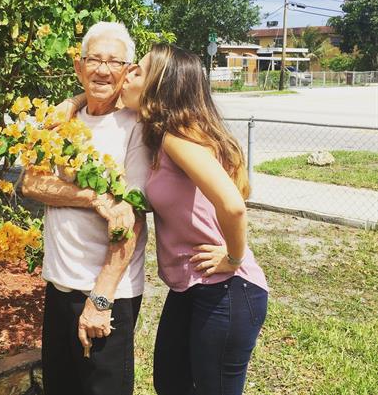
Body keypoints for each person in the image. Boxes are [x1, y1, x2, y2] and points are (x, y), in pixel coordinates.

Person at [63, 43, 268, 395]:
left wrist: (233, 257)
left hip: (228, 290)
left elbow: (233, 205)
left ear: (160, 86)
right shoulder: (158, 133)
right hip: (189, 287)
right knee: (170, 384)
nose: (126, 74)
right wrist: (73, 102)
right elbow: (98, 95)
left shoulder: (177, 138)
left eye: (138, 70)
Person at [21, 22, 152, 395]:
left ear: (127, 72)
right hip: (59, 284)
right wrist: (93, 197)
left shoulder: (136, 128)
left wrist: (100, 299)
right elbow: (31, 183)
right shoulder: (61, 122)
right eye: (94, 59)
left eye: (114, 62)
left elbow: (132, 219)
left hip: (108, 293)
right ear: (78, 67)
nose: (102, 69)